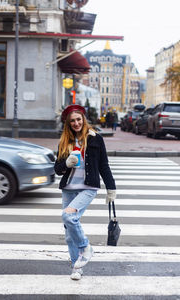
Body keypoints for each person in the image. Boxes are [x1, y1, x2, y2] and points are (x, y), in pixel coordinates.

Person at [54, 104, 116, 281]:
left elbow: (104, 165)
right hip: (68, 188)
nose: (76, 123)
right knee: (68, 234)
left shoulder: (96, 139)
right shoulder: (64, 142)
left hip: (88, 188)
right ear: (68, 123)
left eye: (78, 119)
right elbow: (57, 169)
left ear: (83, 119)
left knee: (68, 217)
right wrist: (66, 163)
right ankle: (77, 267)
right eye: (72, 121)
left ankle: (85, 247)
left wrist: (111, 188)